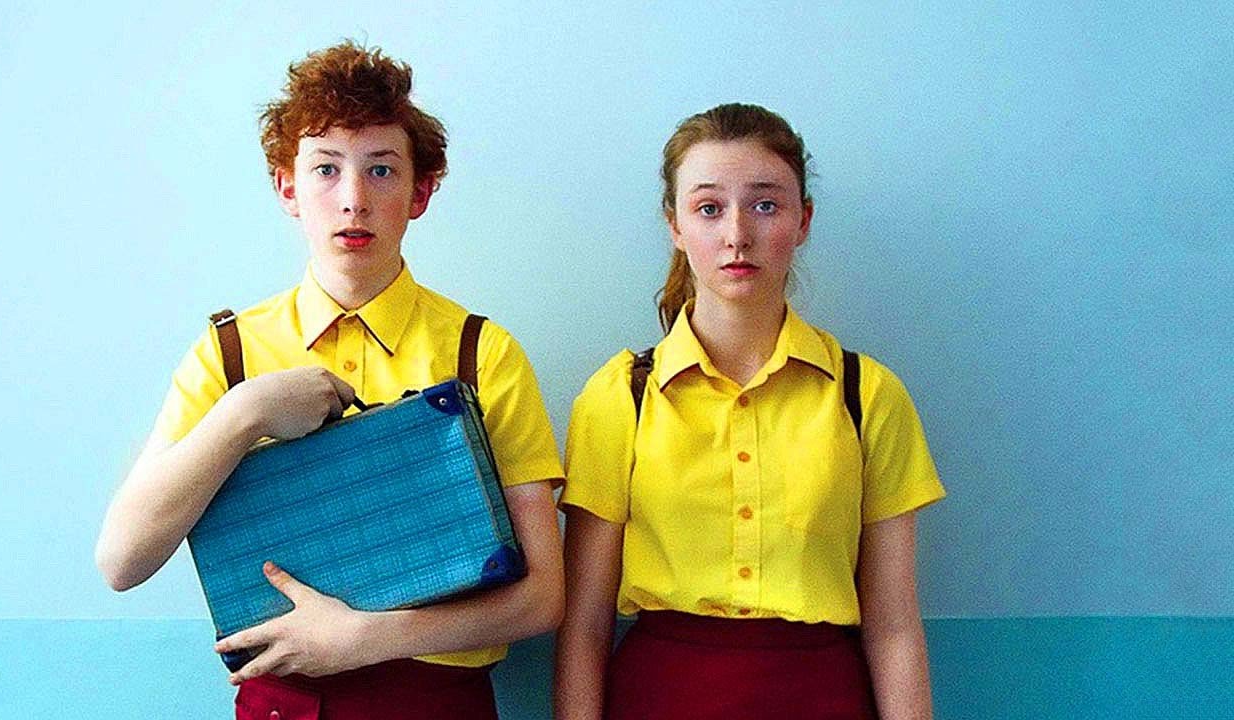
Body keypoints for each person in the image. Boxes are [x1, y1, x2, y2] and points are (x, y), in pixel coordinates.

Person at [95, 41, 564, 720]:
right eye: (325, 169)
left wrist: (364, 638)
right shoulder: (229, 353)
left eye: (381, 169)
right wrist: (247, 413)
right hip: (281, 701)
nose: (353, 200)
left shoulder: (481, 353)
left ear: (421, 192)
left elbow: (543, 598)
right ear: (287, 188)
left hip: (439, 702)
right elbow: (122, 563)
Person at [553, 103, 945, 720]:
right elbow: (584, 627)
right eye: (709, 208)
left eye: (765, 205)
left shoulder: (867, 394)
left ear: (803, 220)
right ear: (675, 225)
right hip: (658, 698)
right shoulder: (620, 395)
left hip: (824, 699)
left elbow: (894, 627)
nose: (737, 235)